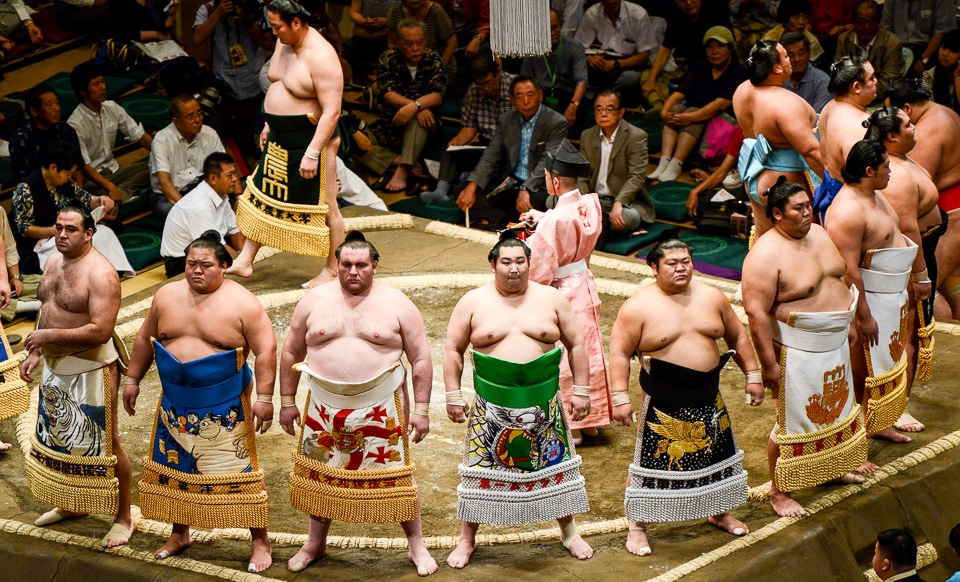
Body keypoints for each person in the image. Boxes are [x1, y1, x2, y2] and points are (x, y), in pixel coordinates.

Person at [278, 232, 437, 575]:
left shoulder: (398, 303)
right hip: (323, 403)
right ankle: (315, 543)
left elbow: (421, 358)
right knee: (321, 475)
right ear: (337, 265)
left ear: (375, 266)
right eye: (346, 264)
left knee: (395, 475)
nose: (353, 272)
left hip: (382, 402)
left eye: (361, 265)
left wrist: (422, 410)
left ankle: (417, 545)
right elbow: (291, 351)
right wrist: (286, 401)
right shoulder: (313, 301)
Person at [121, 232, 274, 572]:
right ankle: (180, 533)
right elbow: (147, 338)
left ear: (225, 267)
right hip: (175, 400)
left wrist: (265, 397)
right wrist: (132, 379)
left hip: (224, 404)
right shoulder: (166, 295)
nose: (196, 271)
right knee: (179, 469)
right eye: (191, 264)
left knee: (239, 472)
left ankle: (260, 540)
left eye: (206, 265)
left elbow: (266, 350)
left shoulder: (243, 303)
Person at [444, 235, 593, 568]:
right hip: (490, 405)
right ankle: (467, 539)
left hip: (543, 402)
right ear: (493, 264)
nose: (514, 269)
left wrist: (581, 390)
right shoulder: (472, 301)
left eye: (520, 261)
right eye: (506, 262)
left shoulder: (552, 299)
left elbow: (578, 344)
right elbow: (453, 349)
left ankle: (569, 531)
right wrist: (453, 394)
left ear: (530, 262)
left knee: (556, 466)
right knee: (479, 471)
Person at [610, 233, 760, 555]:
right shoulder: (637, 307)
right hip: (664, 397)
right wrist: (619, 397)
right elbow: (620, 353)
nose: (681, 269)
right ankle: (637, 526)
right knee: (648, 462)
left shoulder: (712, 297)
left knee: (715, 455)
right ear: (653, 267)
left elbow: (737, 335)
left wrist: (754, 375)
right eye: (672, 264)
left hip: (709, 393)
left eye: (686, 262)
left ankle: (718, 512)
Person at [742, 179, 868, 517]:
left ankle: (831, 469)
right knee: (791, 422)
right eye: (798, 209)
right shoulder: (764, 255)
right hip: (796, 349)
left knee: (837, 409)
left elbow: (841, 279)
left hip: (835, 341)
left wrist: (852, 322)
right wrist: (768, 366)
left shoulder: (819, 233)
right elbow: (756, 314)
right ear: (778, 214)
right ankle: (779, 492)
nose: (807, 213)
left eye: (808, 206)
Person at [19, 204, 134, 548]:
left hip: (91, 367)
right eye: (58, 228)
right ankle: (74, 505)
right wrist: (37, 351)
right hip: (55, 364)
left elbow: (100, 330)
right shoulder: (54, 260)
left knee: (106, 444)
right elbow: (46, 307)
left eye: (71, 229)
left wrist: (46, 339)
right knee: (61, 439)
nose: (62, 235)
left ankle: (124, 517)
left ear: (89, 233)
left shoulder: (101, 273)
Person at [228, 0, 345, 289]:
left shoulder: (322, 56)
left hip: (311, 140)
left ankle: (332, 268)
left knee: (328, 206)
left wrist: (311, 153)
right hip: (281, 135)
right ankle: (245, 260)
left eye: (278, 26)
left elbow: (332, 112)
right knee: (266, 195)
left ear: (296, 23)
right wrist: (270, 122)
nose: (273, 32)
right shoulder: (285, 43)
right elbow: (279, 86)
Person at [825, 140, 919, 452]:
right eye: (885, 167)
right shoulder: (848, 210)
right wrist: (863, 315)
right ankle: (850, 442)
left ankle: (875, 424)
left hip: (889, 296)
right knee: (859, 369)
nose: (891, 172)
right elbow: (848, 270)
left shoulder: (875, 196)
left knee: (885, 364)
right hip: (866, 300)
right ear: (869, 171)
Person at [520, 140, 610, 445]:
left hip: (563, 291)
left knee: (565, 351)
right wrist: (541, 217)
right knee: (589, 348)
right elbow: (567, 221)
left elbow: (539, 266)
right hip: (584, 281)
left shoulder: (557, 219)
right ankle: (591, 420)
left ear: (554, 180)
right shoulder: (589, 204)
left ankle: (571, 423)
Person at [863, 108, 944, 433]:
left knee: (907, 333)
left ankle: (895, 406)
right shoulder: (893, 173)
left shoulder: (904, 161)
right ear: (891, 136)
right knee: (904, 335)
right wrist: (919, 275)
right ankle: (895, 410)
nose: (915, 129)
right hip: (907, 262)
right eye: (908, 125)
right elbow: (907, 229)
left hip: (921, 254)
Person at [884, 80, 960, 321]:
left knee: (927, 287)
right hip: (950, 206)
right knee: (953, 284)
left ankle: (935, 349)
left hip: (949, 210)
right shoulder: (943, 112)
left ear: (906, 109)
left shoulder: (929, 129)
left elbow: (913, 188)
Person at [733, 40, 824, 238]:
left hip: (754, 177)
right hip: (785, 181)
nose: (790, 60)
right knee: (801, 245)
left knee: (765, 240)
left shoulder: (742, 91)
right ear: (776, 68)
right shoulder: (785, 104)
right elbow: (810, 151)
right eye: (786, 56)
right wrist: (834, 182)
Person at [456, 75, 568, 227]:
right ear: (512, 100)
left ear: (540, 96)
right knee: (464, 191)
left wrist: (526, 188)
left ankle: (498, 221)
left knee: (536, 204)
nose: (526, 101)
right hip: (510, 182)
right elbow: (491, 156)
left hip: (538, 186)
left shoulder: (556, 122)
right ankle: (505, 222)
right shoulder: (506, 120)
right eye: (519, 97)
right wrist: (472, 185)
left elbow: (547, 161)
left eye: (530, 95)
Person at [12, 142, 132, 278]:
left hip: (69, 233)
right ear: (53, 168)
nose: (70, 178)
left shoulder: (66, 183)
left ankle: (108, 273)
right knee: (80, 242)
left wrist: (102, 200)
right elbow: (24, 229)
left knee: (103, 233)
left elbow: (87, 199)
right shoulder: (25, 190)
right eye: (68, 174)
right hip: (43, 244)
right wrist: (55, 230)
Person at [647, 26, 746, 183]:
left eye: (720, 46)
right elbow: (680, 92)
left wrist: (690, 117)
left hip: (722, 122)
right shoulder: (700, 66)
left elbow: (720, 105)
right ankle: (664, 161)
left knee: (693, 111)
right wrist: (665, 111)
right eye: (710, 47)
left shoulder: (738, 72)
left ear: (730, 49)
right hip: (694, 117)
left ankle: (676, 163)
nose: (714, 51)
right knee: (675, 109)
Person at [361, 18, 445, 192]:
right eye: (409, 44)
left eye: (420, 42)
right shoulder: (387, 59)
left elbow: (438, 96)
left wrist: (415, 108)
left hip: (426, 124)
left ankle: (403, 169)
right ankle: (398, 159)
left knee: (418, 119)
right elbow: (387, 93)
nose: (416, 48)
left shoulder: (433, 60)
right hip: (391, 122)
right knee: (355, 140)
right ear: (399, 43)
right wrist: (413, 106)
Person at [420, 51, 515, 205]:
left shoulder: (514, 87)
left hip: (508, 149)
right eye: (480, 84)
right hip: (485, 144)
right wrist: (458, 140)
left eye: (488, 82)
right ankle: (440, 191)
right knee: (451, 152)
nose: (484, 88)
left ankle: (469, 178)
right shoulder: (473, 91)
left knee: (500, 164)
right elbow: (470, 127)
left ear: (497, 73)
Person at [194, 0, 274, 163]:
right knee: (209, 135)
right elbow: (197, 38)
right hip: (222, 86)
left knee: (252, 142)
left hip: (253, 84)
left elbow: (268, 43)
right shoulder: (209, 9)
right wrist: (218, 14)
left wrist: (248, 21)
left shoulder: (256, 7)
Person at [67, 62, 153, 204]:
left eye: (103, 81)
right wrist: (110, 186)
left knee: (155, 167)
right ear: (82, 91)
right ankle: (124, 192)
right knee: (100, 195)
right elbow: (84, 167)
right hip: (94, 179)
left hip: (116, 170)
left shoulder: (112, 107)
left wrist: (164, 157)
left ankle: (124, 191)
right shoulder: (75, 124)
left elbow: (139, 135)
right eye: (96, 84)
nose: (103, 87)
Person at [577, 88, 654, 242]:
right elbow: (582, 174)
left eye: (609, 109)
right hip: (594, 199)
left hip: (623, 202)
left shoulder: (636, 136)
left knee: (628, 218)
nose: (603, 114)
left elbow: (636, 177)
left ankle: (594, 227)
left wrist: (619, 203)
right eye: (599, 109)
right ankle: (602, 227)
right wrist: (585, 202)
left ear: (621, 112)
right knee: (553, 201)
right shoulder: (587, 135)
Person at [160, 153, 245, 278]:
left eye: (234, 174)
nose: (234, 179)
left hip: (205, 253)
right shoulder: (199, 205)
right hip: (181, 263)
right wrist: (240, 264)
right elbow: (215, 248)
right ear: (213, 179)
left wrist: (246, 258)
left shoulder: (222, 196)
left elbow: (234, 230)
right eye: (229, 175)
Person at [640, 0, 732, 116]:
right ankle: (658, 105)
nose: (688, 3)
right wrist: (651, 80)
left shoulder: (716, 12)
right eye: (682, 0)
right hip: (689, 68)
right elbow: (665, 49)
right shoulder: (676, 16)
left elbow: (729, 48)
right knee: (649, 75)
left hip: (717, 68)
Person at [815, 56, 878, 220]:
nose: (876, 81)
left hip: (833, 193)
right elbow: (867, 176)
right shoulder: (858, 124)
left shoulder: (830, 107)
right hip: (852, 208)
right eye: (871, 78)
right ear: (856, 86)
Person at [149, 94, 226, 218]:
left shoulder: (209, 133)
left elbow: (226, 169)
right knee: (172, 212)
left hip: (203, 189)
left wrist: (238, 196)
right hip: (172, 195)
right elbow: (164, 184)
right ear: (176, 121)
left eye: (199, 114)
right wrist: (191, 211)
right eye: (190, 117)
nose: (197, 120)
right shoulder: (162, 140)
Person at [521, 9, 588, 129]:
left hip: (568, 97)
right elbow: (525, 80)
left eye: (555, 27)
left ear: (561, 26)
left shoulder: (575, 48)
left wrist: (573, 106)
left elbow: (581, 81)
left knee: (581, 110)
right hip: (541, 96)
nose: (552, 33)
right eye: (547, 30)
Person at [574, 0, 658, 94]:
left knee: (630, 78)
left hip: (630, 63)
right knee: (577, 69)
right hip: (602, 59)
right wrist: (589, 58)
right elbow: (578, 47)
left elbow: (644, 56)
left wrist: (616, 65)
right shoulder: (592, 13)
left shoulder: (638, 15)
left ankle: (603, 98)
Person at [9, 84, 84, 184]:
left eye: (57, 103)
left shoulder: (66, 130)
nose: (56, 108)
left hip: (69, 188)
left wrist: (78, 197)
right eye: (50, 105)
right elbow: (23, 181)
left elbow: (77, 168)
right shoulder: (21, 139)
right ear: (34, 111)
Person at [834, 1, 905, 100]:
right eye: (862, 21)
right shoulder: (844, 40)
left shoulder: (892, 43)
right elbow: (837, 76)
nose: (867, 27)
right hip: (848, 99)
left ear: (878, 22)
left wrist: (854, 89)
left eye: (872, 21)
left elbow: (888, 85)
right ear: (854, 23)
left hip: (879, 101)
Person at [385, 0, 457, 85]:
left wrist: (438, 68)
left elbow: (452, 43)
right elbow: (392, 42)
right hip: (406, 65)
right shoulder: (395, 10)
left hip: (437, 65)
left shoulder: (436, 11)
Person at [880, 0, 956, 78]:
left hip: (928, 51)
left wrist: (924, 60)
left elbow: (941, 32)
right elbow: (885, 27)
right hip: (897, 49)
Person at [0, 208, 41, 323]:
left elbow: (9, 248)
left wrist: (15, 277)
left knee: (48, 282)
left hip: (5, 281)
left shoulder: (0, 212)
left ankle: (15, 305)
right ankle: (30, 306)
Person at [781, 32, 832, 114]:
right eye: (791, 55)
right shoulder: (778, 79)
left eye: (801, 53)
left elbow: (817, 118)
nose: (797, 59)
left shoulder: (823, 82)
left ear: (808, 54)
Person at [921, 29, 960, 113]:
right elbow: (927, 108)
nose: (945, 54)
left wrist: (957, 77)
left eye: (953, 51)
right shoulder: (930, 74)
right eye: (943, 47)